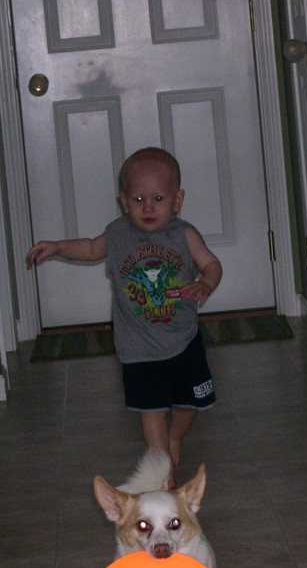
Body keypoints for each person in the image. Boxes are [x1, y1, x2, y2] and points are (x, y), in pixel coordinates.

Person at [27, 147, 222, 486]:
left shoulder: (184, 235)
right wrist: (57, 246)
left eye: (159, 198)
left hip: (183, 340)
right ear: (123, 201)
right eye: (138, 199)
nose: (148, 207)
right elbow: (90, 248)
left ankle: (176, 436)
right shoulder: (117, 234)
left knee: (189, 406)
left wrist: (206, 281)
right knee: (150, 410)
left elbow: (212, 264)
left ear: (177, 200)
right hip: (137, 346)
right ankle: (163, 472)